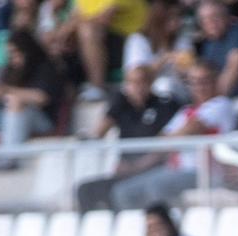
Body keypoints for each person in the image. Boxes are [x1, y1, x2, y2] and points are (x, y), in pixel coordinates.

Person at [108, 65, 236, 210]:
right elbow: (161, 140)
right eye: (193, 82)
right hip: (176, 170)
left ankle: (166, 223)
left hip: (204, 173)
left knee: (157, 186)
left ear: (215, 81)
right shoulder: (186, 111)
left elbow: (190, 129)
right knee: (123, 192)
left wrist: (171, 139)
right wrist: (137, 167)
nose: (199, 87)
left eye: (204, 81)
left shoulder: (221, 105)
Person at [73, 62, 179, 211]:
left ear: (150, 83)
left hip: (152, 171)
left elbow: (164, 147)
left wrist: (137, 166)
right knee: (85, 190)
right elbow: (100, 132)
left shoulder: (164, 106)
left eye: (141, 82)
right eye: (132, 82)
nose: (137, 87)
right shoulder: (122, 104)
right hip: (126, 173)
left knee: (120, 192)